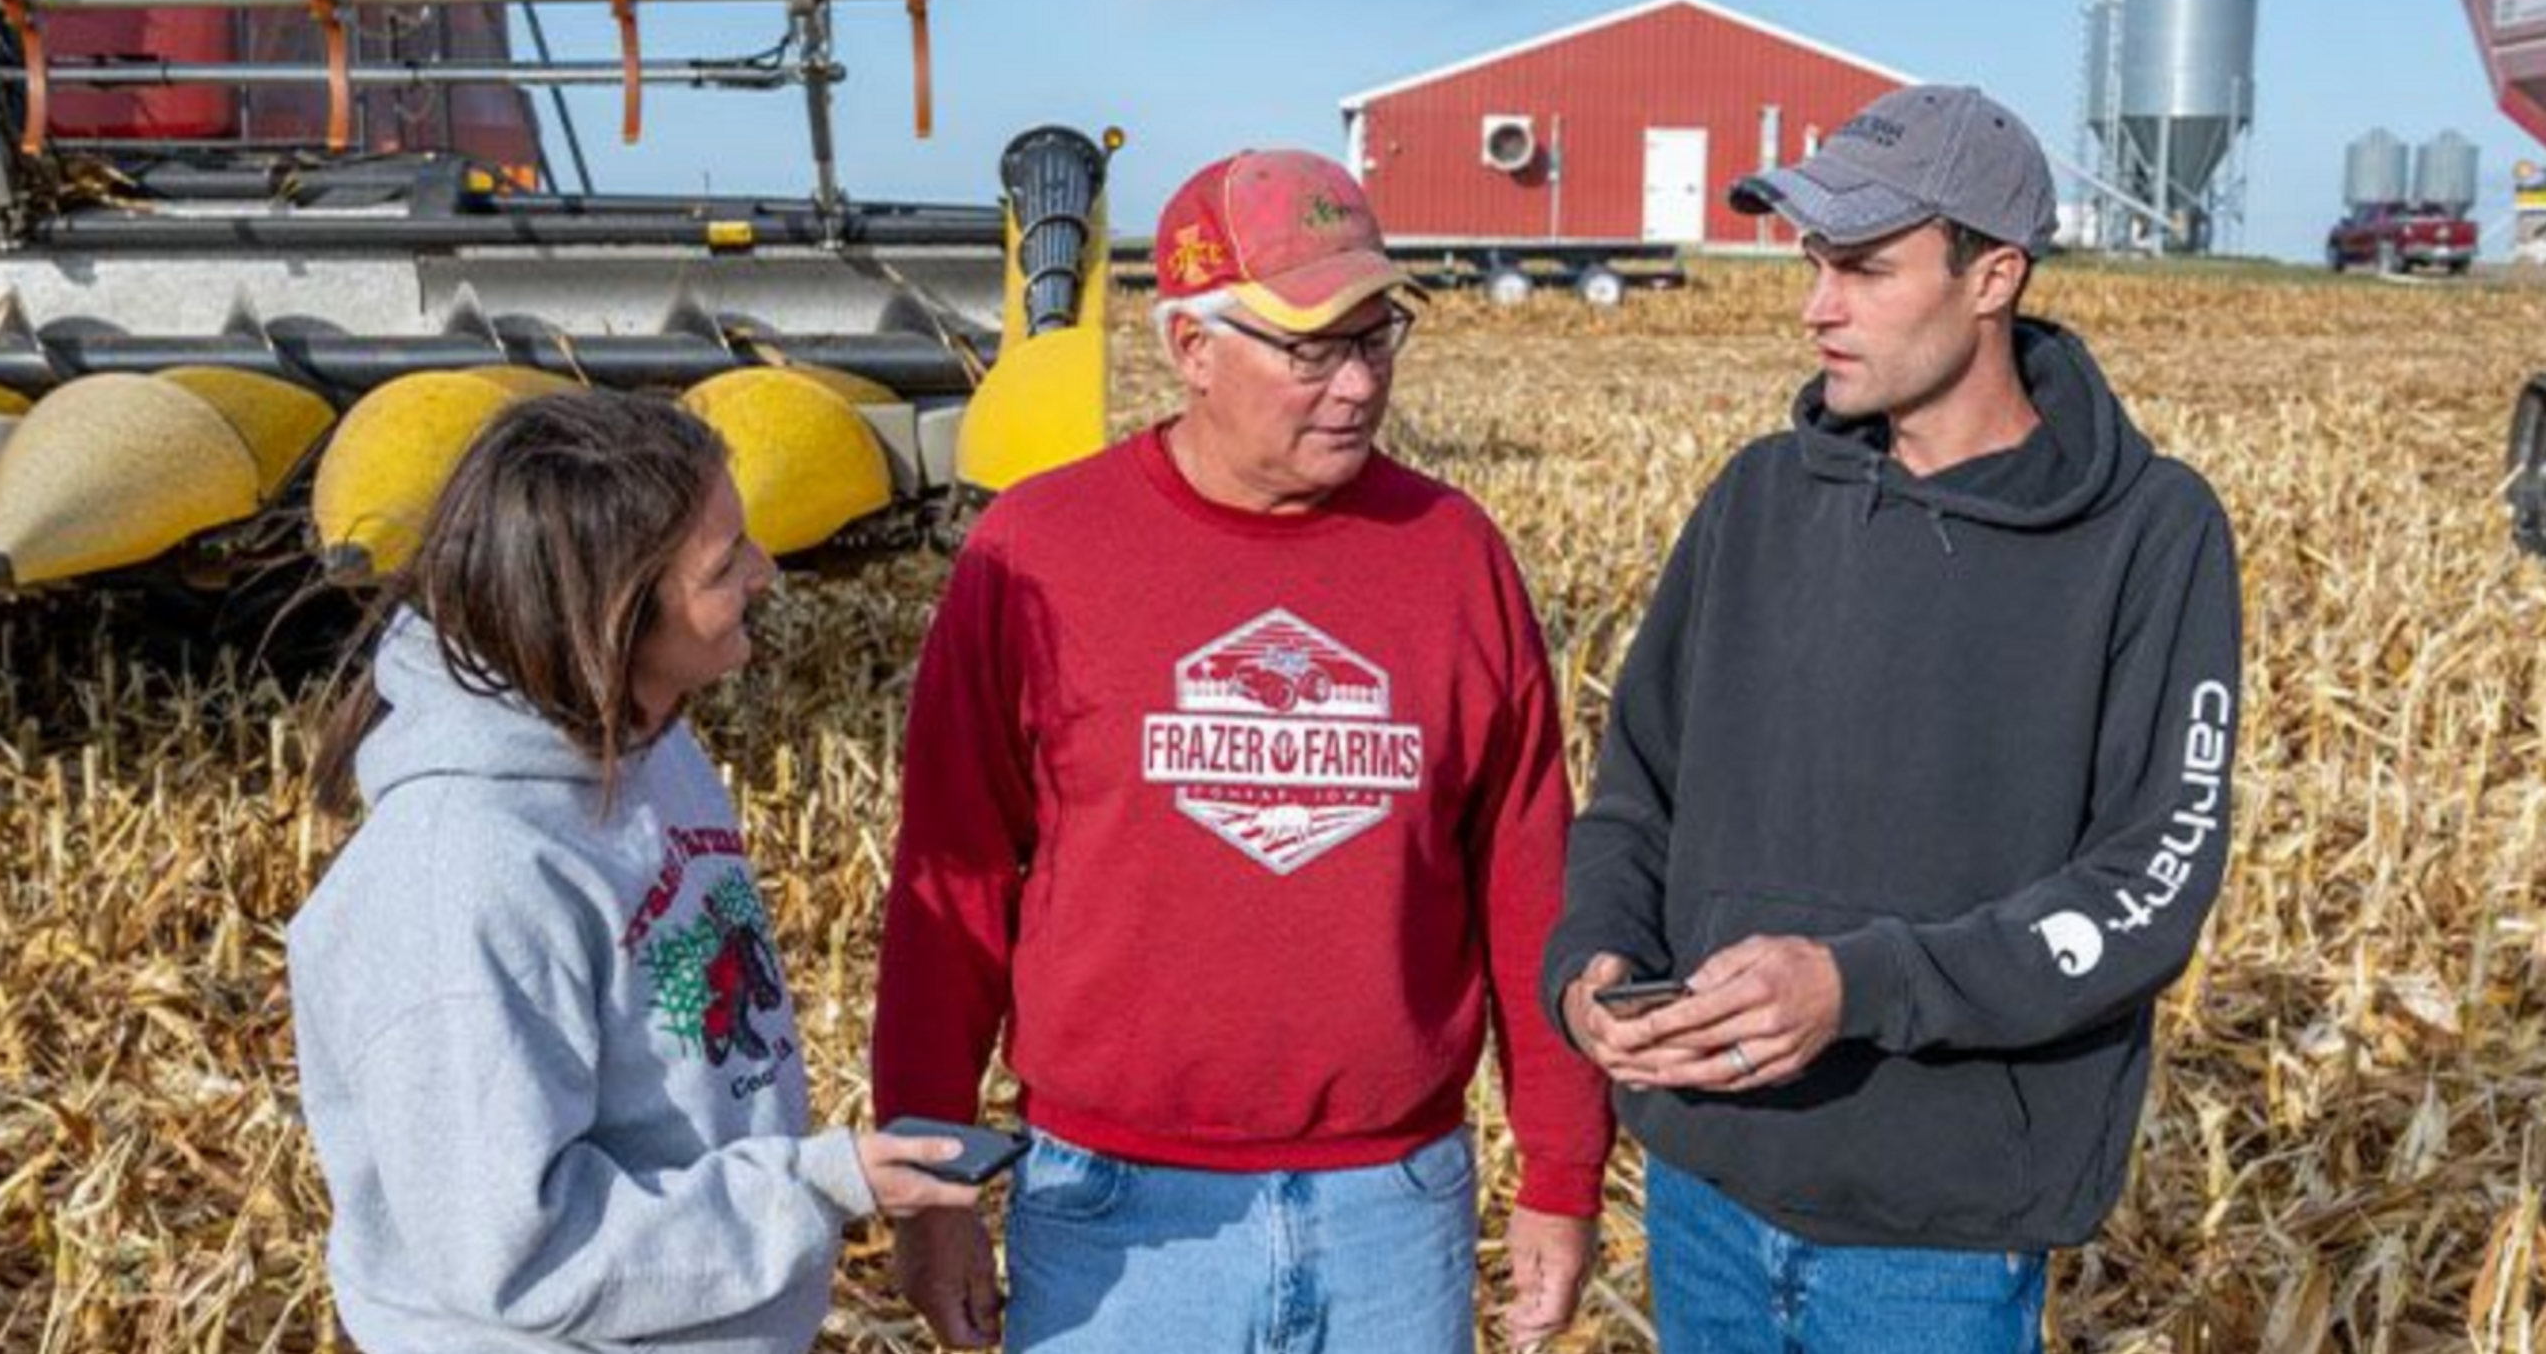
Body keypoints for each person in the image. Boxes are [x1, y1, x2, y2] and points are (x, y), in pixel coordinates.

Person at [872, 149, 1615, 1352]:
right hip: (1114, 1210)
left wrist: (1563, 1167)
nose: (1356, 385)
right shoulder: (1037, 554)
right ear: (1190, 345)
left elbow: (1528, 880)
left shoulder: (1451, 554)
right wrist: (931, 1176)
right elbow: (951, 886)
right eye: (1310, 348)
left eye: (1378, 337)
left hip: (1396, 1208)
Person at [1541, 85, 2242, 1352]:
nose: (1818, 305)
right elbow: (1635, 790)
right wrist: (1590, 964)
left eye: (1864, 268)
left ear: (1994, 277)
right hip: (1701, 1190)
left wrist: (1859, 986)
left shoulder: (2147, 532)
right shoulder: (1756, 496)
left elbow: (2150, 883)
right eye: (1814, 265)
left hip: (1937, 1239)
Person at [288, 391, 977, 1354]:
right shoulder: (466, 878)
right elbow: (522, 1256)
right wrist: (822, 1188)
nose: (766, 573)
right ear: (612, 608)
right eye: (724, 561)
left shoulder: (648, 749)